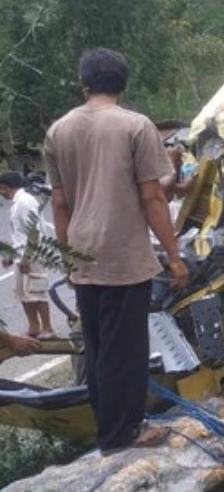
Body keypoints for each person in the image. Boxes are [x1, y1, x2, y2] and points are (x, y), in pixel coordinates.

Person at [43, 47, 189, 453]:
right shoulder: (136, 126)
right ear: (122, 83)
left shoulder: (58, 131)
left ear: (83, 83)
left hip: (82, 254)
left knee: (98, 347)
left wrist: (68, 256)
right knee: (126, 349)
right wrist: (174, 256)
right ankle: (122, 435)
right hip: (123, 255)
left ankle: (108, 428)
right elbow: (152, 199)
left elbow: (60, 203)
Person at [0, 171, 55, 339]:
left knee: (36, 291)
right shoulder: (17, 203)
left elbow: (34, 232)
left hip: (34, 254)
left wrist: (27, 257)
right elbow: (19, 233)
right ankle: (34, 326)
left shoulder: (25, 202)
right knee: (24, 293)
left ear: (4, 187)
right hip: (21, 253)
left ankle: (47, 328)